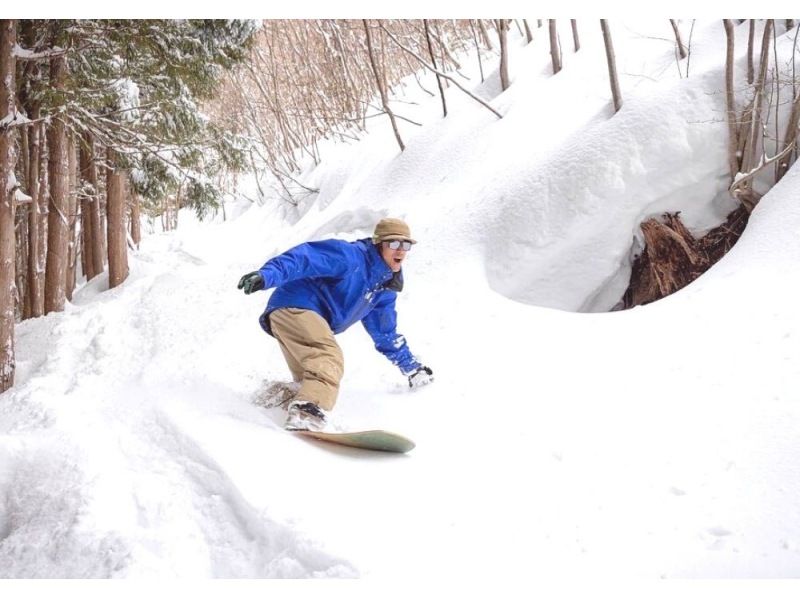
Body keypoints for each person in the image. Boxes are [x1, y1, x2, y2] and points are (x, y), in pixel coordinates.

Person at [238, 217, 434, 431]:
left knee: (308, 380)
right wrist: (267, 275)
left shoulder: (383, 289)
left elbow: (385, 333)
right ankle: (305, 413)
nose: (400, 250)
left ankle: (264, 403)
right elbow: (305, 258)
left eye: (406, 245)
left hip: (294, 314)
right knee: (327, 358)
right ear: (379, 244)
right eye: (393, 243)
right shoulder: (351, 257)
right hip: (297, 305)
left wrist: (412, 368)